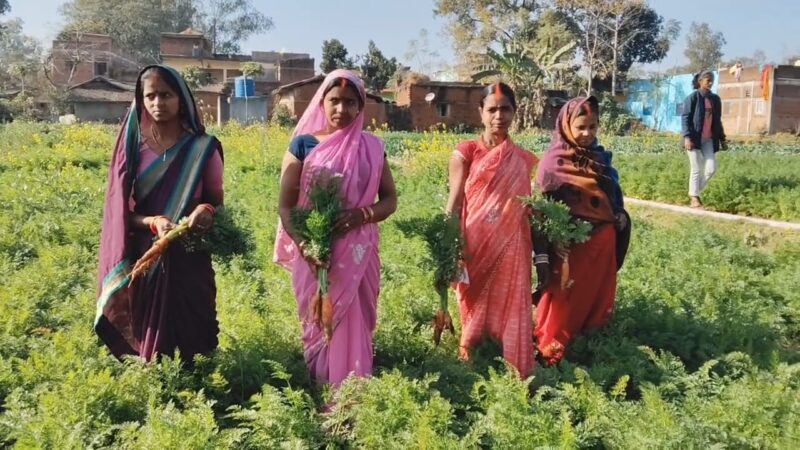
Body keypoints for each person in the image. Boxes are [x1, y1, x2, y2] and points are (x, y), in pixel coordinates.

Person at [274, 70, 398, 387]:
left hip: (359, 252)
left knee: (357, 320)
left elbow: (390, 200)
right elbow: (286, 206)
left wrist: (362, 215)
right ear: (322, 103)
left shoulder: (372, 147)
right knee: (319, 321)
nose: (341, 109)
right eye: (334, 101)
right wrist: (305, 246)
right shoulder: (303, 145)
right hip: (315, 252)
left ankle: (353, 390)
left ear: (360, 107)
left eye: (350, 102)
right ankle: (321, 386)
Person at [95, 65, 224, 362]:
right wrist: (153, 222)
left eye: (166, 95)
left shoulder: (203, 148)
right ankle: (157, 378)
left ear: (182, 100)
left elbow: (215, 201)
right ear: (141, 101)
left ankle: (200, 378)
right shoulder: (133, 151)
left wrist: (204, 210)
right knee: (153, 341)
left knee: (196, 334)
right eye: (150, 96)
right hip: (146, 257)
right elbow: (120, 214)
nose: (158, 103)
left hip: (190, 254)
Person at [445, 82, 539, 378]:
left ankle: (515, 372)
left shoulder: (521, 158)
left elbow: (525, 206)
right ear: (481, 112)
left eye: (506, 109)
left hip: (513, 246)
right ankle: (470, 367)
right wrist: (450, 246)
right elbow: (454, 204)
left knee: (512, 306)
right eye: (492, 109)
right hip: (474, 246)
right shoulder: (466, 153)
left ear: (514, 112)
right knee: (472, 306)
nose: (499, 116)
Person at [534, 96, 631, 366]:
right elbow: (542, 211)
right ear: (566, 126)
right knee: (564, 300)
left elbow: (612, 198)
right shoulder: (553, 164)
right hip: (571, 249)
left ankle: (591, 348)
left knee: (596, 296)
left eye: (593, 126)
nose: (587, 133)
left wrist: (619, 216)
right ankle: (551, 352)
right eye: (581, 127)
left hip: (602, 244)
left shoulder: (601, 160)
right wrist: (554, 240)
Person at [681, 70, 727, 208]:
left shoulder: (715, 99)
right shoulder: (692, 98)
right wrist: (687, 137)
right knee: (696, 168)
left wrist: (722, 139)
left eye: (712, 80)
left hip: (708, 139)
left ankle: (693, 192)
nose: (710, 83)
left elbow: (717, 121)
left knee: (711, 168)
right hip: (694, 138)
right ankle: (694, 197)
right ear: (700, 81)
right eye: (708, 80)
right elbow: (685, 118)